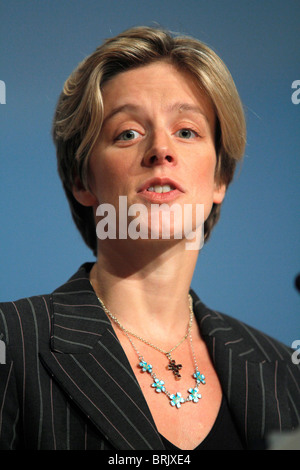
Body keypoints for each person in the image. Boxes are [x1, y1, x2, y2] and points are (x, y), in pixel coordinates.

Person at [0, 26, 299, 451]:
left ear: (220, 178)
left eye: (187, 131)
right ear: (82, 180)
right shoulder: (12, 345)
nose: (161, 149)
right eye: (128, 133)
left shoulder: (283, 372)